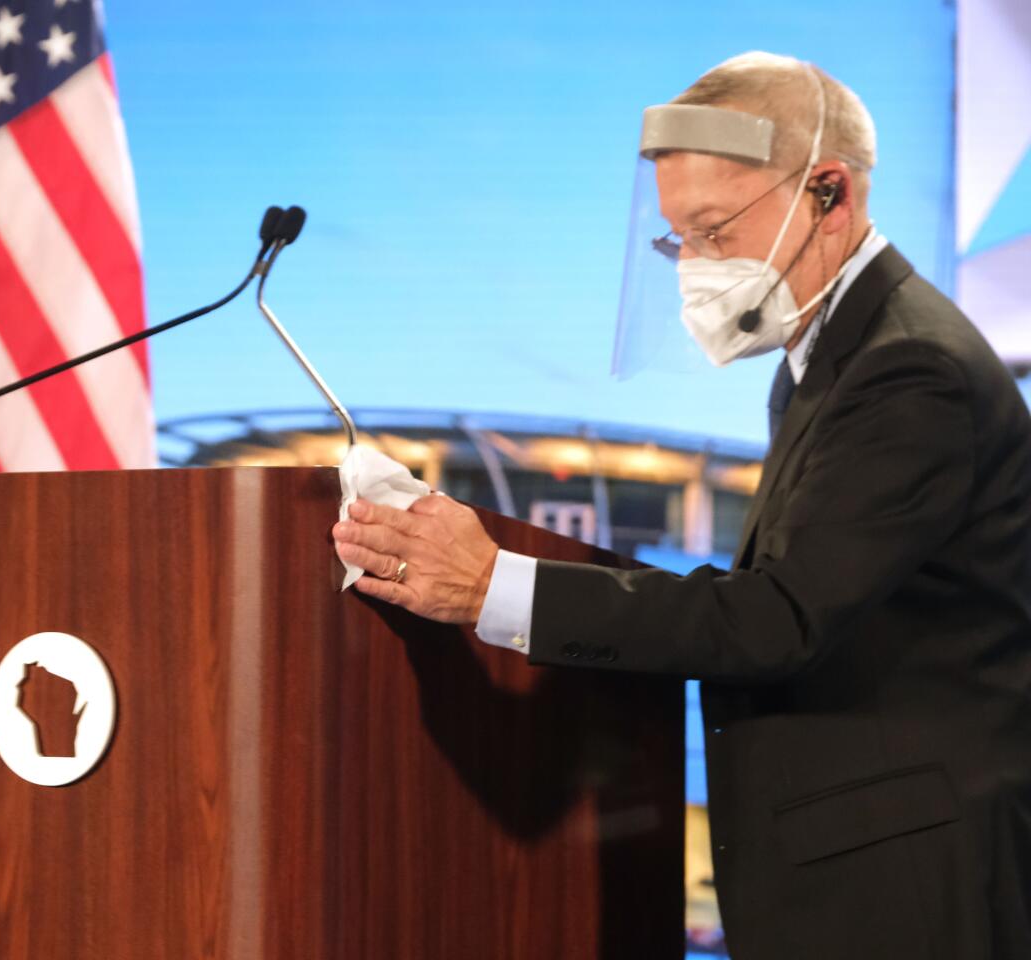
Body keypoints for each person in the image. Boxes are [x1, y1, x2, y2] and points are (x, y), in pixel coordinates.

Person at [331, 52, 1031, 960]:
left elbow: (780, 618)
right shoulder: (830, 359)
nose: (695, 269)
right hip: (862, 875)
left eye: (714, 231)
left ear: (833, 195)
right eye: (679, 241)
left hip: (907, 890)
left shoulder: (908, 369)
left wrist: (496, 588)